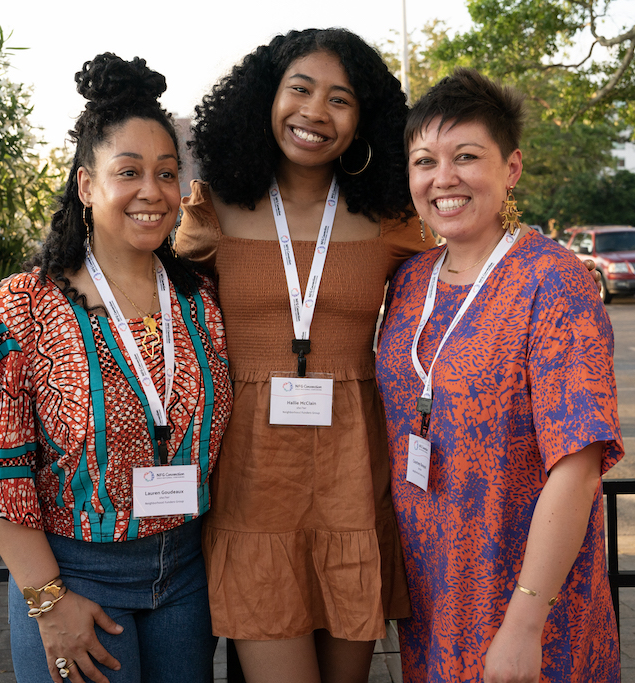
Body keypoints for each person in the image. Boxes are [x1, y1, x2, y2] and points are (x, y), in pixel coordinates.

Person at [0, 54, 233, 683]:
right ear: (87, 186)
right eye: (129, 173)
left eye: (168, 173)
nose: (153, 192)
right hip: (75, 575)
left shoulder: (201, 298)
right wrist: (47, 599)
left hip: (185, 576)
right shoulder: (28, 305)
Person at [176, 28, 425, 683]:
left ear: (363, 120)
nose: (316, 111)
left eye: (340, 99)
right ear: (266, 98)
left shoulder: (394, 219)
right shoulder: (212, 212)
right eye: (301, 89)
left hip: (352, 477)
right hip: (252, 481)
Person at [374, 68, 624, 682]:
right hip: (435, 603)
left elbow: (578, 463)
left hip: (527, 608)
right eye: (425, 161)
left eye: (466, 157)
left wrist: (525, 625)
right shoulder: (411, 281)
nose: (443, 178)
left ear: (510, 169)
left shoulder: (552, 279)